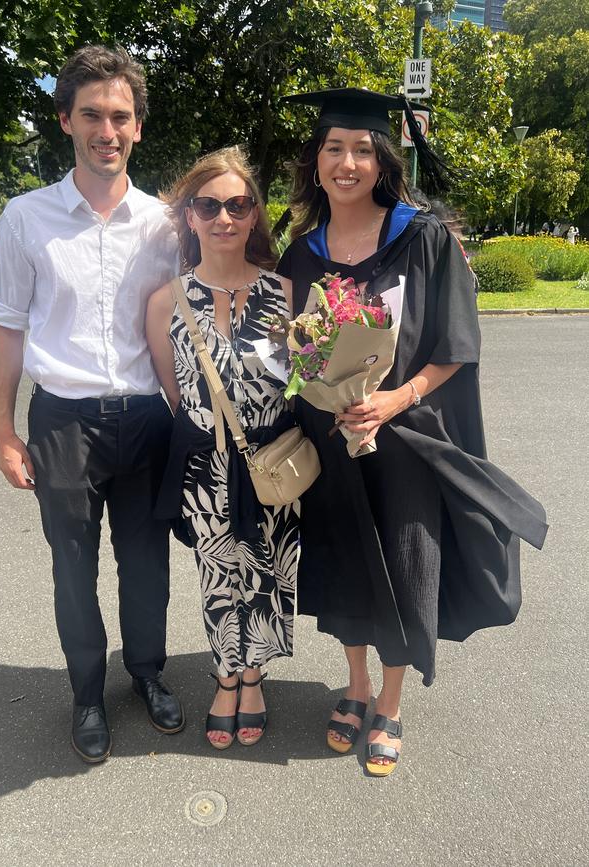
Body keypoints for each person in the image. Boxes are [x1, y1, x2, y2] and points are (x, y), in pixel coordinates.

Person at [277, 88, 548, 777]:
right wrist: (316, 384)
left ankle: (390, 703)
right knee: (343, 562)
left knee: (402, 564)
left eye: (362, 149)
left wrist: (394, 398)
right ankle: (356, 685)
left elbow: (456, 344)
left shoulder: (422, 236)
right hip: (334, 441)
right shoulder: (303, 253)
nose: (347, 162)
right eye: (333, 148)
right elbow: (291, 346)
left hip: (404, 442)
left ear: (382, 160)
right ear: (315, 161)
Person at [0, 45, 183, 764]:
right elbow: (8, 328)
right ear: (65, 119)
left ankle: (148, 674)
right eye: (93, 114)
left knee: (147, 563)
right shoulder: (26, 219)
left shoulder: (165, 224)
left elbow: (186, 319)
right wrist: (3, 430)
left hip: (146, 419)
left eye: (121, 117)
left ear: (137, 127)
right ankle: (88, 692)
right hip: (64, 419)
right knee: (73, 565)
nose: (108, 129)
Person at [146, 146, 298, 751]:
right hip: (207, 466)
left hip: (273, 462)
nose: (224, 218)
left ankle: (254, 678)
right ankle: (225, 674)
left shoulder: (286, 293)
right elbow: (172, 391)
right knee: (216, 574)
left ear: (255, 214)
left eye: (239, 205)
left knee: (268, 571)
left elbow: (303, 380)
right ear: (189, 216)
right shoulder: (165, 301)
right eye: (209, 206)